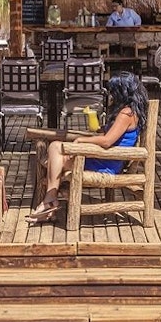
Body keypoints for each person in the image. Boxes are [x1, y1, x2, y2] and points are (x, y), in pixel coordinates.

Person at [26, 71, 147, 224]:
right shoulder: (130, 111)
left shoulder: (126, 113)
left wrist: (81, 140)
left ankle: (50, 200)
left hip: (106, 164)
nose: (111, 95)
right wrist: (100, 128)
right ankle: (53, 198)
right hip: (104, 158)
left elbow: (107, 141)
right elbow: (109, 135)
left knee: (55, 149)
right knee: (55, 151)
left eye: (113, 91)